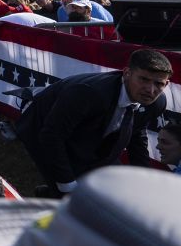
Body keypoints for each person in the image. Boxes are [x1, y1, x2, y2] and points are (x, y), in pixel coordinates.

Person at [15, 48, 171, 196]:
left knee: (107, 186)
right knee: (71, 197)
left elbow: (137, 135)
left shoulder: (156, 103)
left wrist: (144, 181)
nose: (150, 90)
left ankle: (51, 192)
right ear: (127, 73)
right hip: (43, 128)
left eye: (158, 83)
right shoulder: (90, 93)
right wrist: (67, 187)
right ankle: (54, 195)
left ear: (166, 84)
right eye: (144, 79)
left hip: (91, 132)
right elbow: (51, 136)